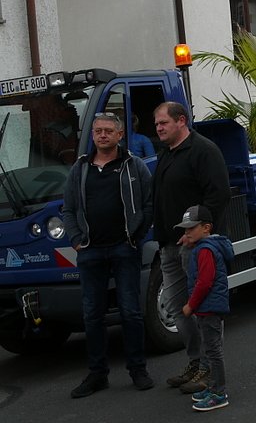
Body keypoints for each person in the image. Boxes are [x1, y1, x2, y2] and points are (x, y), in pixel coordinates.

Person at [63, 113, 154, 398]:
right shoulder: (80, 169)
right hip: (90, 251)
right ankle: (97, 374)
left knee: (131, 311)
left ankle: (138, 369)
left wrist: (136, 238)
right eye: (97, 131)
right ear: (92, 135)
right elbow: (68, 209)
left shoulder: (134, 166)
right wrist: (77, 240)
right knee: (92, 315)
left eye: (108, 131)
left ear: (119, 135)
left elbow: (148, 203)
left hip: (123, 248)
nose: (102, 135)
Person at [152, 102, 231, 394]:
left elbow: (218, 195)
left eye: (163, 123)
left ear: (181, 121)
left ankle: (210, 369)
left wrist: (197, 236)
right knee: (178, 309)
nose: (158, 128)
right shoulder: (166, 155)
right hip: (169, 246)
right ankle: (195, 362)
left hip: (195, 249)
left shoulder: (204, 151)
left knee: (203, 310)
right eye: (157, 124)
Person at [175, 205, 234, 412]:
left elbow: (205, 282)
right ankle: (213, 387)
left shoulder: (205, 250)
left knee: (213, 352)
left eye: (191, 229)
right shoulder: (204, 247)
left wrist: (191, 305)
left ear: (206, 228)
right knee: (210, 350)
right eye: (184, 230)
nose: (187, 233)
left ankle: (219, 393)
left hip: (209, 308)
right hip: (207, 308)